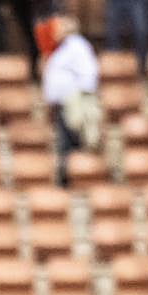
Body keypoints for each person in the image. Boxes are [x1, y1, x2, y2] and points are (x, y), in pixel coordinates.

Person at [42, 16, 100, 185]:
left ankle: (74, 178)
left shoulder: (78, 46)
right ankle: (67, 177)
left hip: (74, 101)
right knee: (64, 143)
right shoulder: (63, 48)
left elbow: (88, 73)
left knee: (71, 142)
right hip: (63, 103)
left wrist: (80, 97)